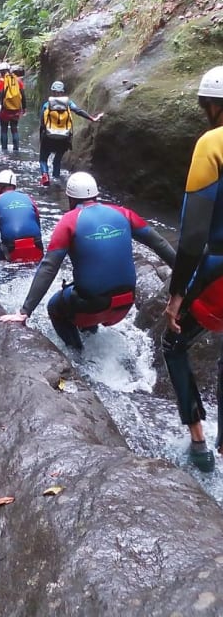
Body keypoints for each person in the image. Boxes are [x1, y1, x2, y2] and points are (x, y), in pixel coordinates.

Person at [0, 172, 176, 351]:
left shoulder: (69, 221)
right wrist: (185, 275)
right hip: (126, 302)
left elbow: (49, 267)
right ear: (96, 195)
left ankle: (78, 356)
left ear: (71, 199)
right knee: (84, 292)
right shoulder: (123, 213)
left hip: (92, 305)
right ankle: (92, 336)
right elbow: (159, 243)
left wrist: (25, 311)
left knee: (54, 307)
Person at [161, 65, 223, 473]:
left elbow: (192, 235)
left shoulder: (212, 143)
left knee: (174, 343)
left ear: (211, 106)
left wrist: (176, 293)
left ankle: (199, 441)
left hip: (217, 269)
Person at [39, 81, 102, 186]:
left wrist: (42, 138)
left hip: (48, 137)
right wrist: (92, 118)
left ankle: (45, 175)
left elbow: (42, 123)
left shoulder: (47, 105)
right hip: (64, 138)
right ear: (62, 92)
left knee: (43, 159)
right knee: (57, 160)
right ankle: (56, 179)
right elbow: (79, 111)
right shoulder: (69, 103)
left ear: (52, 92)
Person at [0, 169, 43, 262]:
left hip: (11, 247)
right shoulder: (29, 199)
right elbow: (37, 225)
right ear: (14, 186)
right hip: (36, 244)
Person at [0, 62, 26, 152]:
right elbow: (22, 94)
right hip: (16, 109)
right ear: (9, 70)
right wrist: (24, 107)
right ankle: (16, 149)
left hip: (5, 109)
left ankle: (4, 150)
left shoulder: (1, 81)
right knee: (14, 129)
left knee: (4, 129)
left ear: (1, 72)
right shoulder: (17, 80)